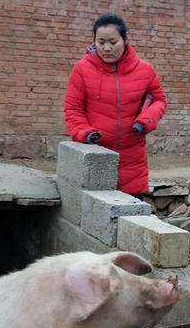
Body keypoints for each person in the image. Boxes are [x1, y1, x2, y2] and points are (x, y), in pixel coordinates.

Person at [64, 13, 167, 195]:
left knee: (132, 216)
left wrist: (145, 121)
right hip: (96, 156)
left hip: (133, 162)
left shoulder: (145, 70)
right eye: (101, 42)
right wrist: (85, 133)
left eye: (113, 42)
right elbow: (73, 109)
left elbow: (159, 100)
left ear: (125, 39)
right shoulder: (82, 69)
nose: (107, 48)